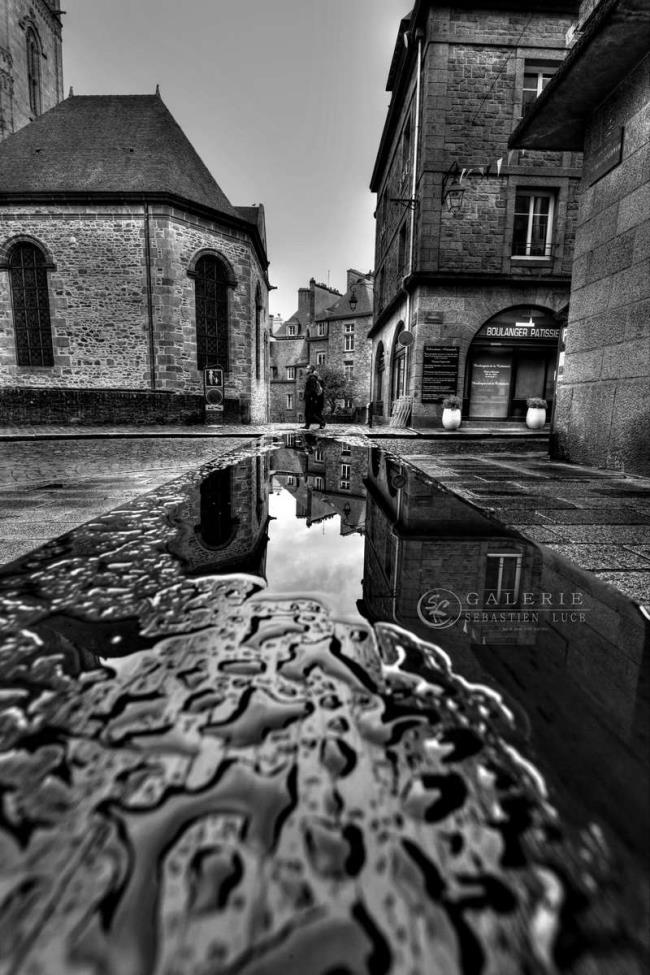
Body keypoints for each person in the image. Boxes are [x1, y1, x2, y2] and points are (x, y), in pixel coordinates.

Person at [302, 364, 325, 429]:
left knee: (310, 413)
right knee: (308, 412)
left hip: (310, 398)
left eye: (307, 368)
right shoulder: (312, 377)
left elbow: (312, 389)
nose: (306, 369)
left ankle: (321, 422)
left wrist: (310, 397)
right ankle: (307, 425)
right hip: (310, 397)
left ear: (311, 370)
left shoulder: (312, 378)